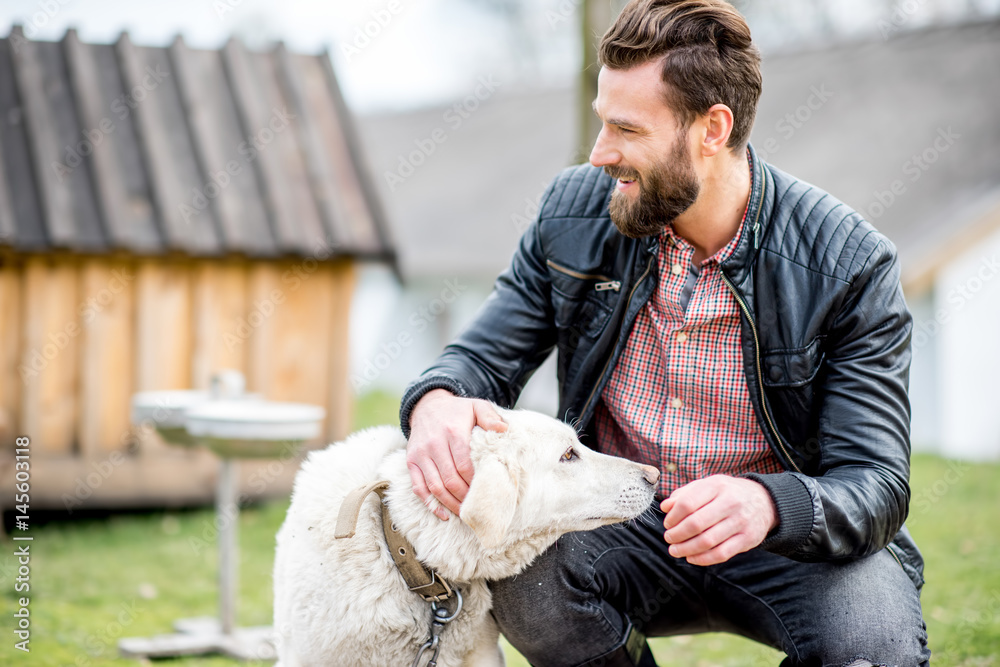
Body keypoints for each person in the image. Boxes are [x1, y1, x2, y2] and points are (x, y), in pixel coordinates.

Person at [399, 0, 930, 664]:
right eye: (601, 123)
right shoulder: (573, 213)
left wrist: (769, 502)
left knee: (873, 649)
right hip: (620, 518)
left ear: (712, 128)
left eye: (626, 128)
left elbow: (875, 482)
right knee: (526, 586)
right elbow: (483, 356)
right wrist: (437, 400)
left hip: (789, 538)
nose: (600, 155)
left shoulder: (849, 265)